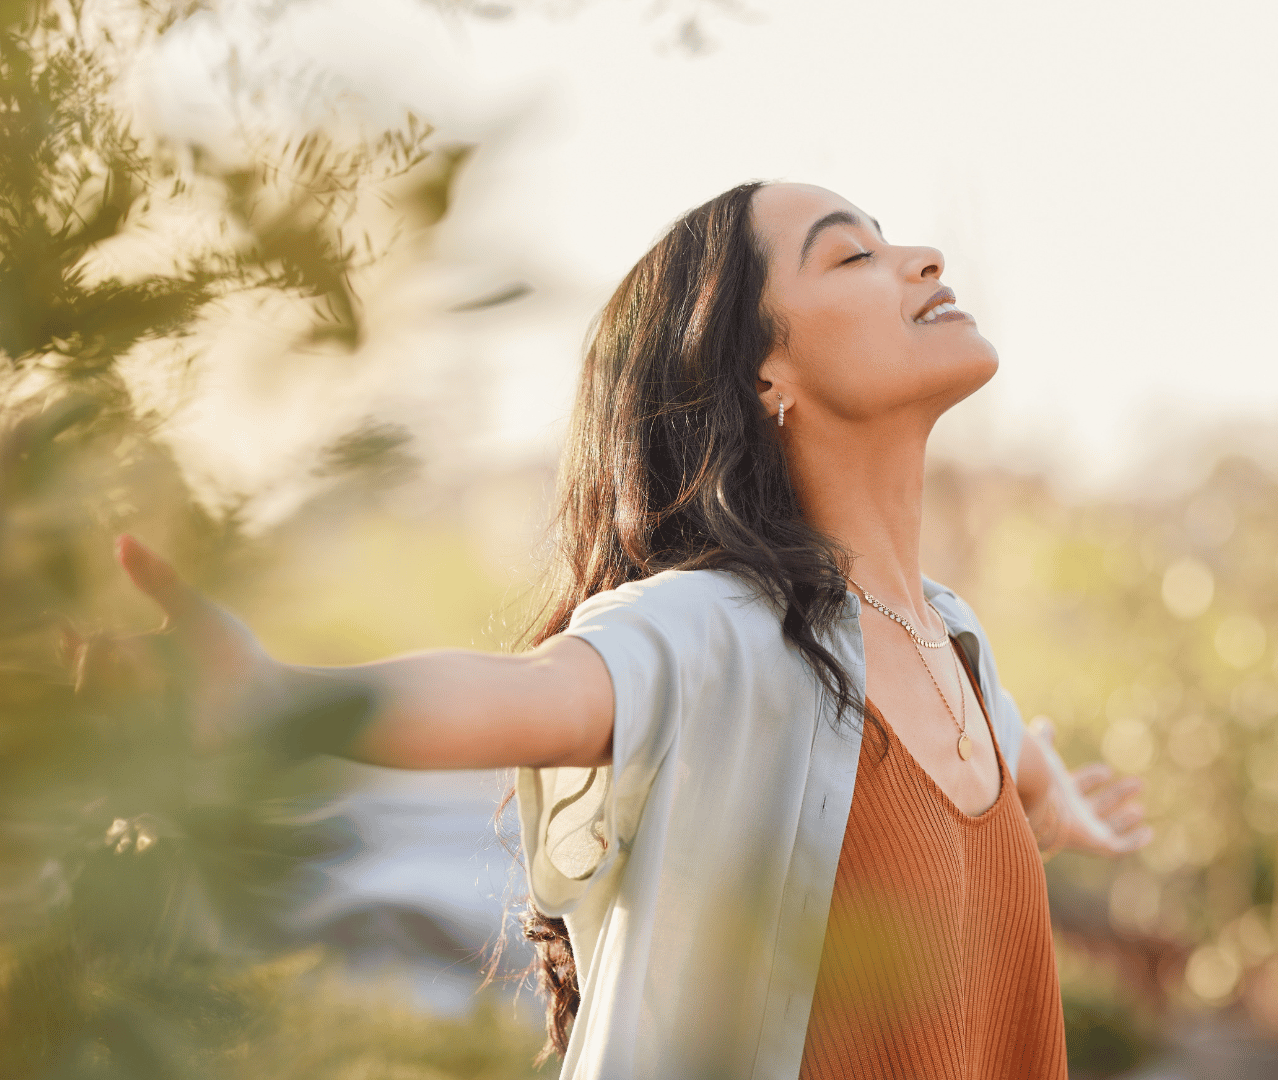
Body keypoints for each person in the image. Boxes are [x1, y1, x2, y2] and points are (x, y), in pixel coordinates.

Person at [116, 180, 1151, 1079]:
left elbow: (997, 754)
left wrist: (1046, 794)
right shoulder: (719, 630)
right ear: (762, 375)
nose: (923, 259)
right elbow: (535, 697)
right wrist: (278, 702)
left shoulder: (955, 645)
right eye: (852, 254)